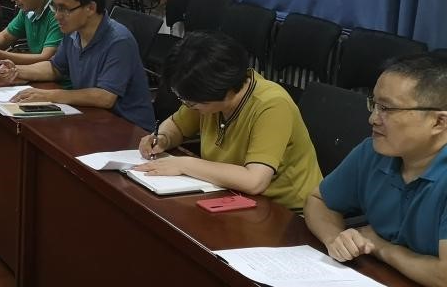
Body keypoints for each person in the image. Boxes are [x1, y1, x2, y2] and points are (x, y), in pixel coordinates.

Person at [304, 54, 447, 287]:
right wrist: (335, 239)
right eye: (374, 104)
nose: (373, 119)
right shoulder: (374, 151)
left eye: (387, 109)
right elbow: (319, 200)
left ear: (439, 122)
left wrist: (381, 247)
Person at [134, 31, 322, 212]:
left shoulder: (272, 105)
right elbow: (177, 126)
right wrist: (163, 138)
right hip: (231, 196)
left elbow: (255, 181)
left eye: (191, 102)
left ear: (220, 90)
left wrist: (184, 165)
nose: (187, 105)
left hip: (285, 212)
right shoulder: (207, 100)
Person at [0, 0, 155, 130]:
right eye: (55, 7)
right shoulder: (73, 32)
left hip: (129, 129)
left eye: (64, 9)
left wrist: (49, 95)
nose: (57, 16)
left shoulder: (119, 41)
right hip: (92, 117)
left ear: (90, 8)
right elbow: (55, 68)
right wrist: (17, 71)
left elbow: (105, 97)